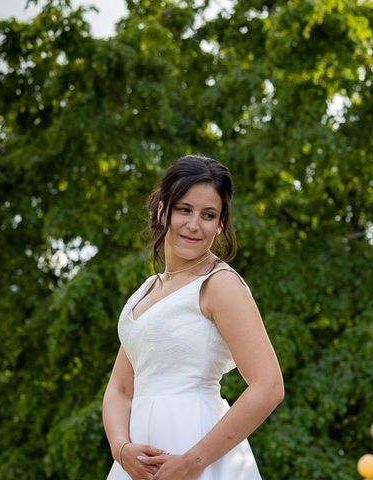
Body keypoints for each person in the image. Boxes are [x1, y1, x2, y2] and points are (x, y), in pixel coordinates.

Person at [103, 154, 284, 480]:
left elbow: (269, 385)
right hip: (136, 464)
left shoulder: (219, 284)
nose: (194, 224)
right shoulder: (147, 291)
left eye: (208, 215)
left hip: (197, 454)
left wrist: (193, 462)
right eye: (184, 209)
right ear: (162, 210)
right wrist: (121, 449)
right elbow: (119, 389)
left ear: (219, 225)